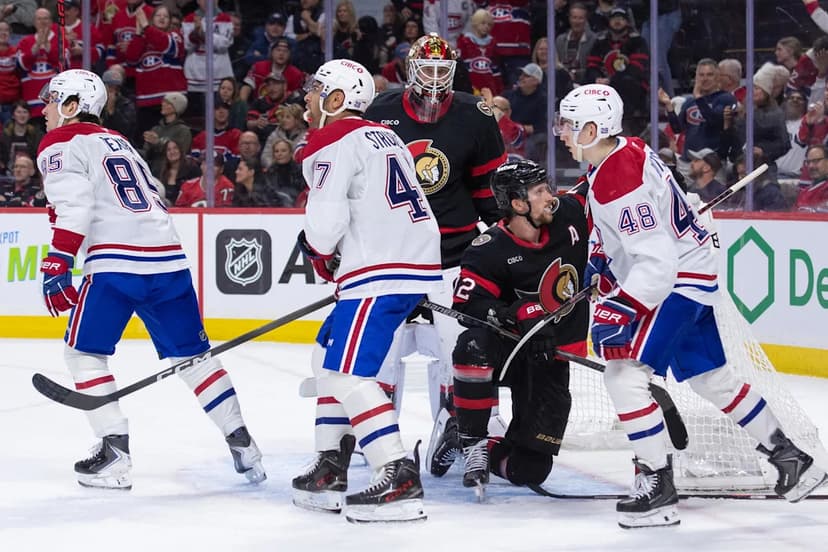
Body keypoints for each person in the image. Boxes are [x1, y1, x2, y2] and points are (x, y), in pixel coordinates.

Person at [555, 83, 827, 528]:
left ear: (592, 126)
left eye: (567, 124)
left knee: (624, 376)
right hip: (695, 273)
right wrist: (604, 258)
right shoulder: (625, 152)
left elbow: (656, 261)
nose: (561, 133)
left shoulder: (616, 177)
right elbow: (638, 229)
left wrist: (620, 306)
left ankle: (657, 485)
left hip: (675, 280)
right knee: (710, 378)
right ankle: (792, 459)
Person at [36, 69, 266, 490]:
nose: (44, 109)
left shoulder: (59, 141)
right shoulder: (118, 141)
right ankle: (242, 442)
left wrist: (58, 262)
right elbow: (154, 191)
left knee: (82, 353)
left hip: (116, 265)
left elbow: (76, 207)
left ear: (71, 107)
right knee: (195, 359)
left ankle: (113, 451)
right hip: (168, 261)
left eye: (51, 101)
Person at [291, 58, 441, 523]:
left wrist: (316, 249)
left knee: (348, 376)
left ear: (337, 100)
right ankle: (330, 465)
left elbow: (326, 220)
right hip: (403, 260)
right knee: (325, 358)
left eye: (317, 90)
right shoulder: (384, 134)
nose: (308, 97)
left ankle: (396, 473)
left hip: (381, 268)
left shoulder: (333, 139)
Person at [362, 33, 507, 477]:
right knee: (379, 355)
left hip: (452, 256)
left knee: (463, 350)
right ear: (410, 69)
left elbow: (489, 193)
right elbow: (360, 188)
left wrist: (504, 241)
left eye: (444, 70)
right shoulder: (379, 112)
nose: (435, 79)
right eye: (427, 69)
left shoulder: (475, 116)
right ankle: (380, 442)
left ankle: (465, 433)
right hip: (393, 257)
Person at [447, 159, 589, 492]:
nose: (549, 197)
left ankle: (461, 440)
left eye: (547, 188)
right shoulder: (489, 249)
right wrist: (515, 312)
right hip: (510, 349)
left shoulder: (568, 214)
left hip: (551, 354)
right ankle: (473, 443)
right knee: (472, 345)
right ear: (517, 203)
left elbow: (597, 184)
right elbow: (468, 305)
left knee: (530, 470)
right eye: (539, 192)